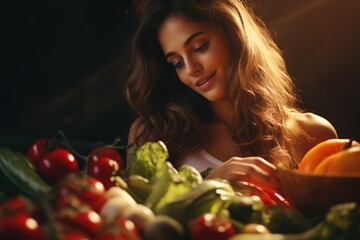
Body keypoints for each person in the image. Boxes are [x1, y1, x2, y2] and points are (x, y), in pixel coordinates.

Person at [124, 0, 337, 191]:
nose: (191, 69)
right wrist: (208, 186)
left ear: (232, 35)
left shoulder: (313, 134)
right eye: (177, 63)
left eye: (200, 47)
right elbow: (133, 226)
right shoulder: (153, 135)